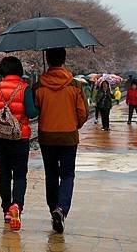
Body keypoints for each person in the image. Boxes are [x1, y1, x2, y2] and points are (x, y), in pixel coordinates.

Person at [33, 48, 88, 234]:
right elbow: (83, 113)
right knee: (67, 175)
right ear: (64, 60)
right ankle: (61, 209)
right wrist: (74, 125)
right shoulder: (75, 84)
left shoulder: (39, 85)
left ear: (47, 60)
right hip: (68, 136)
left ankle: (53, 209)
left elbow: (35, 110)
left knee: (51, 173)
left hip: (46, 136)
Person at [0, 56, 38, 231]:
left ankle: (6, 209)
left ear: (2, 71)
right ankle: (17, 206)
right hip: (20, 138)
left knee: (4, 175)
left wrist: (1, 124)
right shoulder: (25, 89)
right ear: (19, 70)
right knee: (20, 175)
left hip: (1, 139)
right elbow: (31, 113)